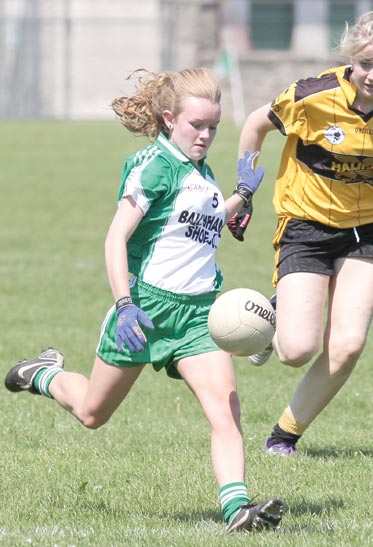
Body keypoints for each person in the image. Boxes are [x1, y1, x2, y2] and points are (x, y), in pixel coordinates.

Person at [4, 67, 284, 532]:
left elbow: (196, 222)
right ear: (170, 119)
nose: (207, 135)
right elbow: (116, 239)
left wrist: (239, 196)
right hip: (144, 309)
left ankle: (238, 510)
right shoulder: (152, 165)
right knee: (93, 413)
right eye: (198, 126)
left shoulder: (201, 171)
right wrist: (123, 304)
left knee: (226, 410)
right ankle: (44, 373)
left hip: (200, 315)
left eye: (214, 127)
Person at [237, 12, 373, 456]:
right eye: (366, 63)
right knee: (296, 350)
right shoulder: (313, 95)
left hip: (367, 231)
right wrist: (243, 190)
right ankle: (277, 316)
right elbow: (255, 125)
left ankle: (284, 436)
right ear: (351, 59)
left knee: (347, 346)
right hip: (306, 224)